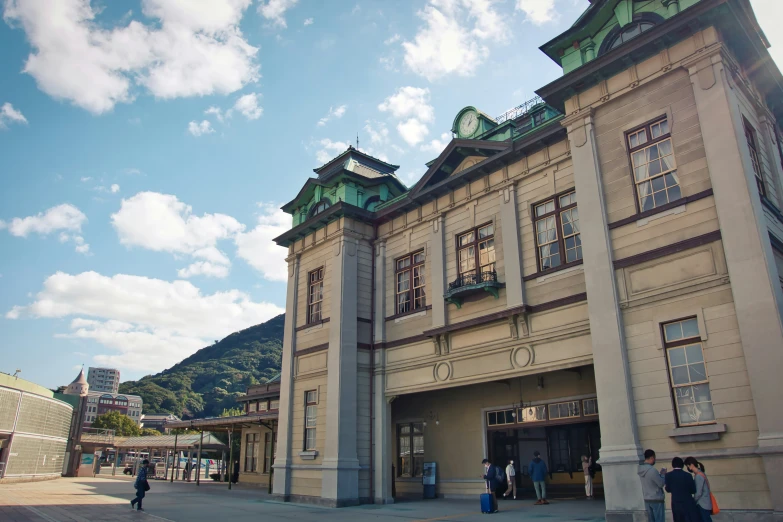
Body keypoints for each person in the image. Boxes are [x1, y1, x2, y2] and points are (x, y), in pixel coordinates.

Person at [665, 457, 702, 522]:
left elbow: (668, 489)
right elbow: (693, 490)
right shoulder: (688, 475)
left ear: (672, 465)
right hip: (688, 503)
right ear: (682, 465)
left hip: (676, 503)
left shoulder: (668, 475)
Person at [638, 449, 666, 522]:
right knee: (659, 519)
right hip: (656, 498)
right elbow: (661, 483)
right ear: (652, 458)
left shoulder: (640, 469)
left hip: (647, 498)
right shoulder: (652, 470)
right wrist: (663, 475)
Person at [685, 457, 713, 522]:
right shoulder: (701, 473)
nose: (688, 468)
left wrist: (693, 501)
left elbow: (698, 493)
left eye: (687, 466)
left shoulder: (698, 476)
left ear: (691, 465)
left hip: (702, 504)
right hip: (705, 503)